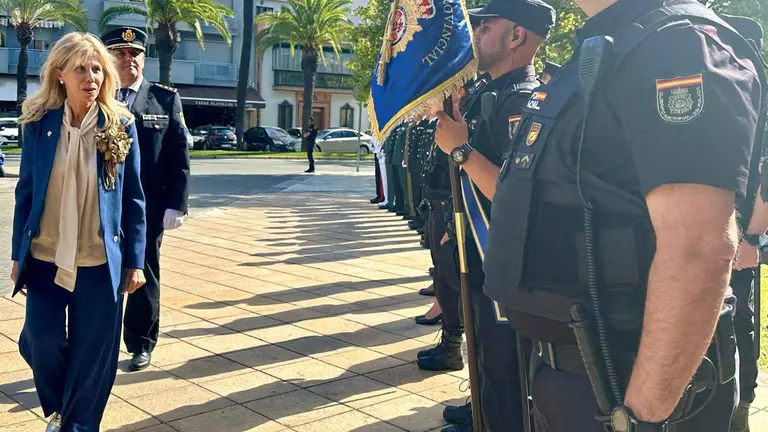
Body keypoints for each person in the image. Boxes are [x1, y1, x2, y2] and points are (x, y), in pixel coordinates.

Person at [482, 0, 766, 429]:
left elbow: (698, 249)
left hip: (633, 387)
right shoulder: (615, 41)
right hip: (575, 374)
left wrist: (639, 418)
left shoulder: (677, 46)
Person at [427, 2, 555, 430]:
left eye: (485, 25)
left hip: (505, 258)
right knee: (485, 345)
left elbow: (513, 192)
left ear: (517, 36)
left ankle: (498, 417)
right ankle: (484, 408)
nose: (475, 31)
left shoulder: (523, 101)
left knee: (504, 354)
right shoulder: (491, 93)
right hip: (481, 253)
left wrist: (461, 149)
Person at [10, 32, 147, 431]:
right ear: (59, 75)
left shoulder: (121, 124)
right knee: (40, 340)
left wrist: (136, 262)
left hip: (99, 262)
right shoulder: (39, 122)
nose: (92, 77)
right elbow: (26, 193)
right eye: (81, 69)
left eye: (97, 70)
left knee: (93, 357)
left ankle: (73, 426)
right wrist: (18, 256)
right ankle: (60, 412)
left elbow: (133, 199)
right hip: (46, 257)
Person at [101, 27, 191, 372]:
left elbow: (179, 153)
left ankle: (140, 343)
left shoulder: (163, 98)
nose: (129, 59)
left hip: (150, 206)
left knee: (143, 272)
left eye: (135, 53)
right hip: (103, 203)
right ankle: (100, 343)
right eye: (121, 53)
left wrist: (177, 203)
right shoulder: (99, 95)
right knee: (101, 273)